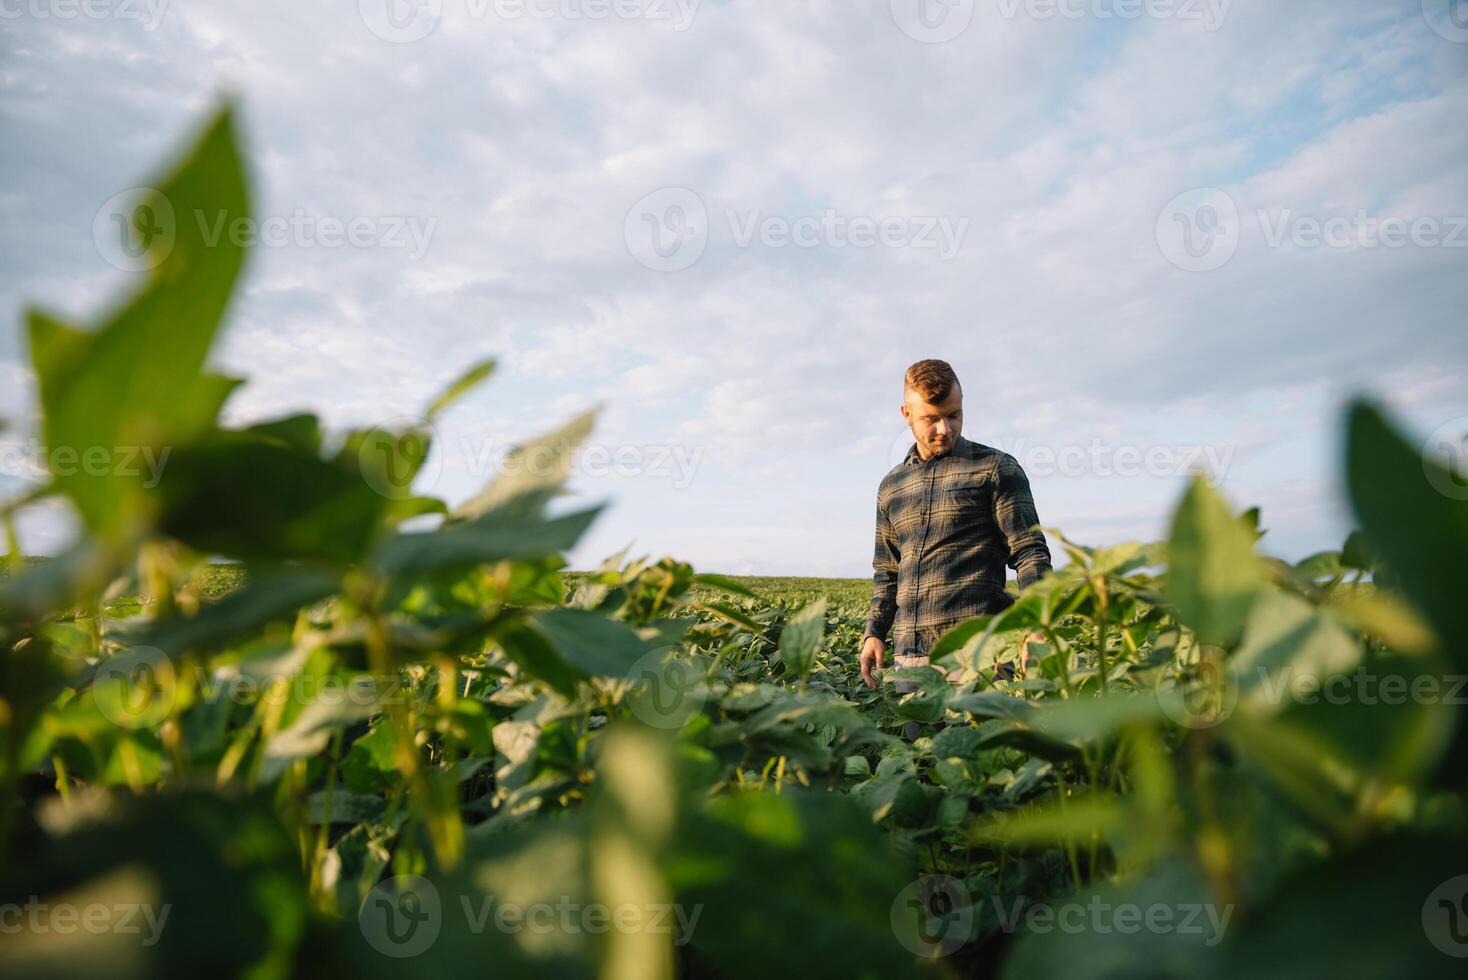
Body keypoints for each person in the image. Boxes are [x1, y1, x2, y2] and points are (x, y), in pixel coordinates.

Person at [859, 359, 1052, 715]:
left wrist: (1037, 626)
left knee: (980, 765)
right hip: (910, 660)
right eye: (930, 419)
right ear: (906, 413)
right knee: (919, 766)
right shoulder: (891, 487)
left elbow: (1030, 552)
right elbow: (887, 571)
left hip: (979, 656)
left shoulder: (995, 469)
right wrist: (875, 632)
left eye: (954, 415)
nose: (945, 429)